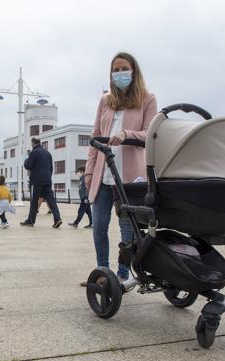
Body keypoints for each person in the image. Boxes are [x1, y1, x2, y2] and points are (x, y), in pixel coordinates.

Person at [84, 52, 157, 284]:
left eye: (124, 68)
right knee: (99, 227)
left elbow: (151, 135)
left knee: (127, 228)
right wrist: (88, 169)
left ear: (133, 71)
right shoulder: (105, 101)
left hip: (128, 177)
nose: (119, 73)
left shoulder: (147, 99)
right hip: (102, 175)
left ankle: (123, 274)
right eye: (115, 70)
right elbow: (95, 137)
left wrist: (127, 135)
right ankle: (102, 272)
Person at [20, 137, 62, 228]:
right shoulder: (47, 153)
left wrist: (26, 160)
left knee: (34, 201)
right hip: (47, 180)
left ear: (32, 143)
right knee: (51, 201)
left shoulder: (34, 152)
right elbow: (51, 168)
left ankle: (30, 221)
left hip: (36, 181)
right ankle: (57, 219)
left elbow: (27, 165)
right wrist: (47, 177)